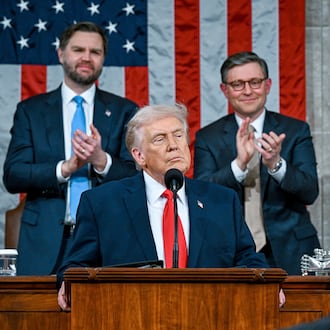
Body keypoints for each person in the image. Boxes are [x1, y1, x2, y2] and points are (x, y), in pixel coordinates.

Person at [57, 103, 276, 311]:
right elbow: (75, 266)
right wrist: (67, 284)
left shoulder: (221, 200)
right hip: (130, 316)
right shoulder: (102, 203)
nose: (173, 145)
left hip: (210, 314)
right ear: (139, 155)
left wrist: (269, 283)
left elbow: (249, 260)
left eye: (178, 135)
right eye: (160, 139)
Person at [2, 21, 138, 275]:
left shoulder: (124, 111)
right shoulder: (30, 110)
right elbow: (13, 175)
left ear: (103, 58)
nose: (87, 58)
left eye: (95, 52)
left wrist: (101, 160)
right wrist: (65, 168)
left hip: (106, 236)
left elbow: (138, 175)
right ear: (61, 53)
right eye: (78, 50)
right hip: (44, 238)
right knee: (38, 314)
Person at [193, 51, 321, 275]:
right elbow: (201, 197)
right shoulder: (208, 137)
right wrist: (239, 165)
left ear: (268, 85)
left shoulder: (296, 130)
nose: (248, 91)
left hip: (292, 249)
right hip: (232, 251)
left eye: (255, 82)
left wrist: (276, 164)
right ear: (225, 90)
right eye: (238, 84)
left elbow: (310, 191)